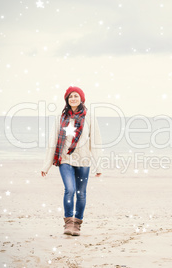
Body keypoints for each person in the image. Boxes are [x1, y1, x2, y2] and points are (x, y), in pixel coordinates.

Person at [41, 86, 102, 236]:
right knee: (70, 190)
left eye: (76, 96)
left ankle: (77, 224)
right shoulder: (60, 118)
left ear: (81, 98)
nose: (73, 98)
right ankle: (68, 224)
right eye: (70, 97)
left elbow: (95, 142)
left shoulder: (89, 117)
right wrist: (46, 165)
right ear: (67, 100)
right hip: (65, 159)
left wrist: (98, 165)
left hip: (83, 161)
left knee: (81, 193)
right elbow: (52, 141)